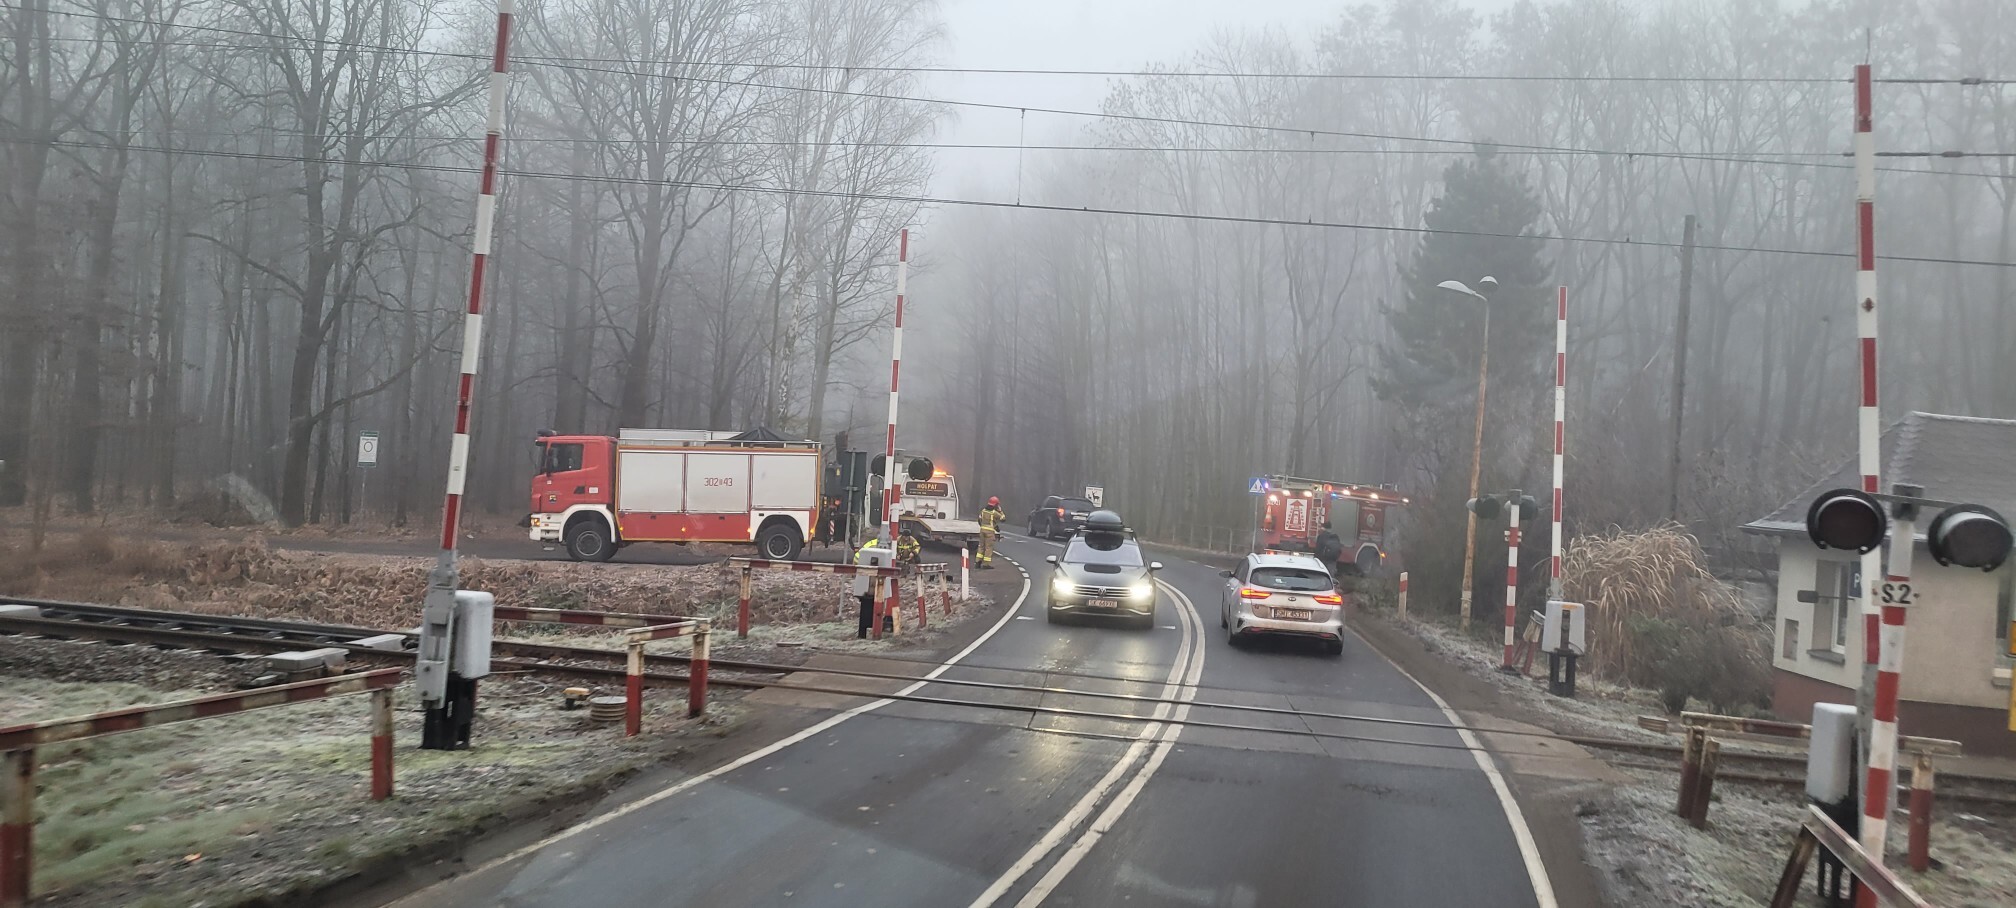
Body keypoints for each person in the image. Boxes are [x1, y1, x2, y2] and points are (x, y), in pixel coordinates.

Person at [976, 496, 1006, 569]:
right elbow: (1003, 518)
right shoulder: (994, 513)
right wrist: (1000, 511)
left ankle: (978, 562)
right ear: (995, 505)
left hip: (982, 530)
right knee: (988, 548)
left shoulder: (983, 511)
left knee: (981, 546)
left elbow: (979, 520)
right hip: (989, 532)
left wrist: (983, 526)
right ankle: (986, 564)